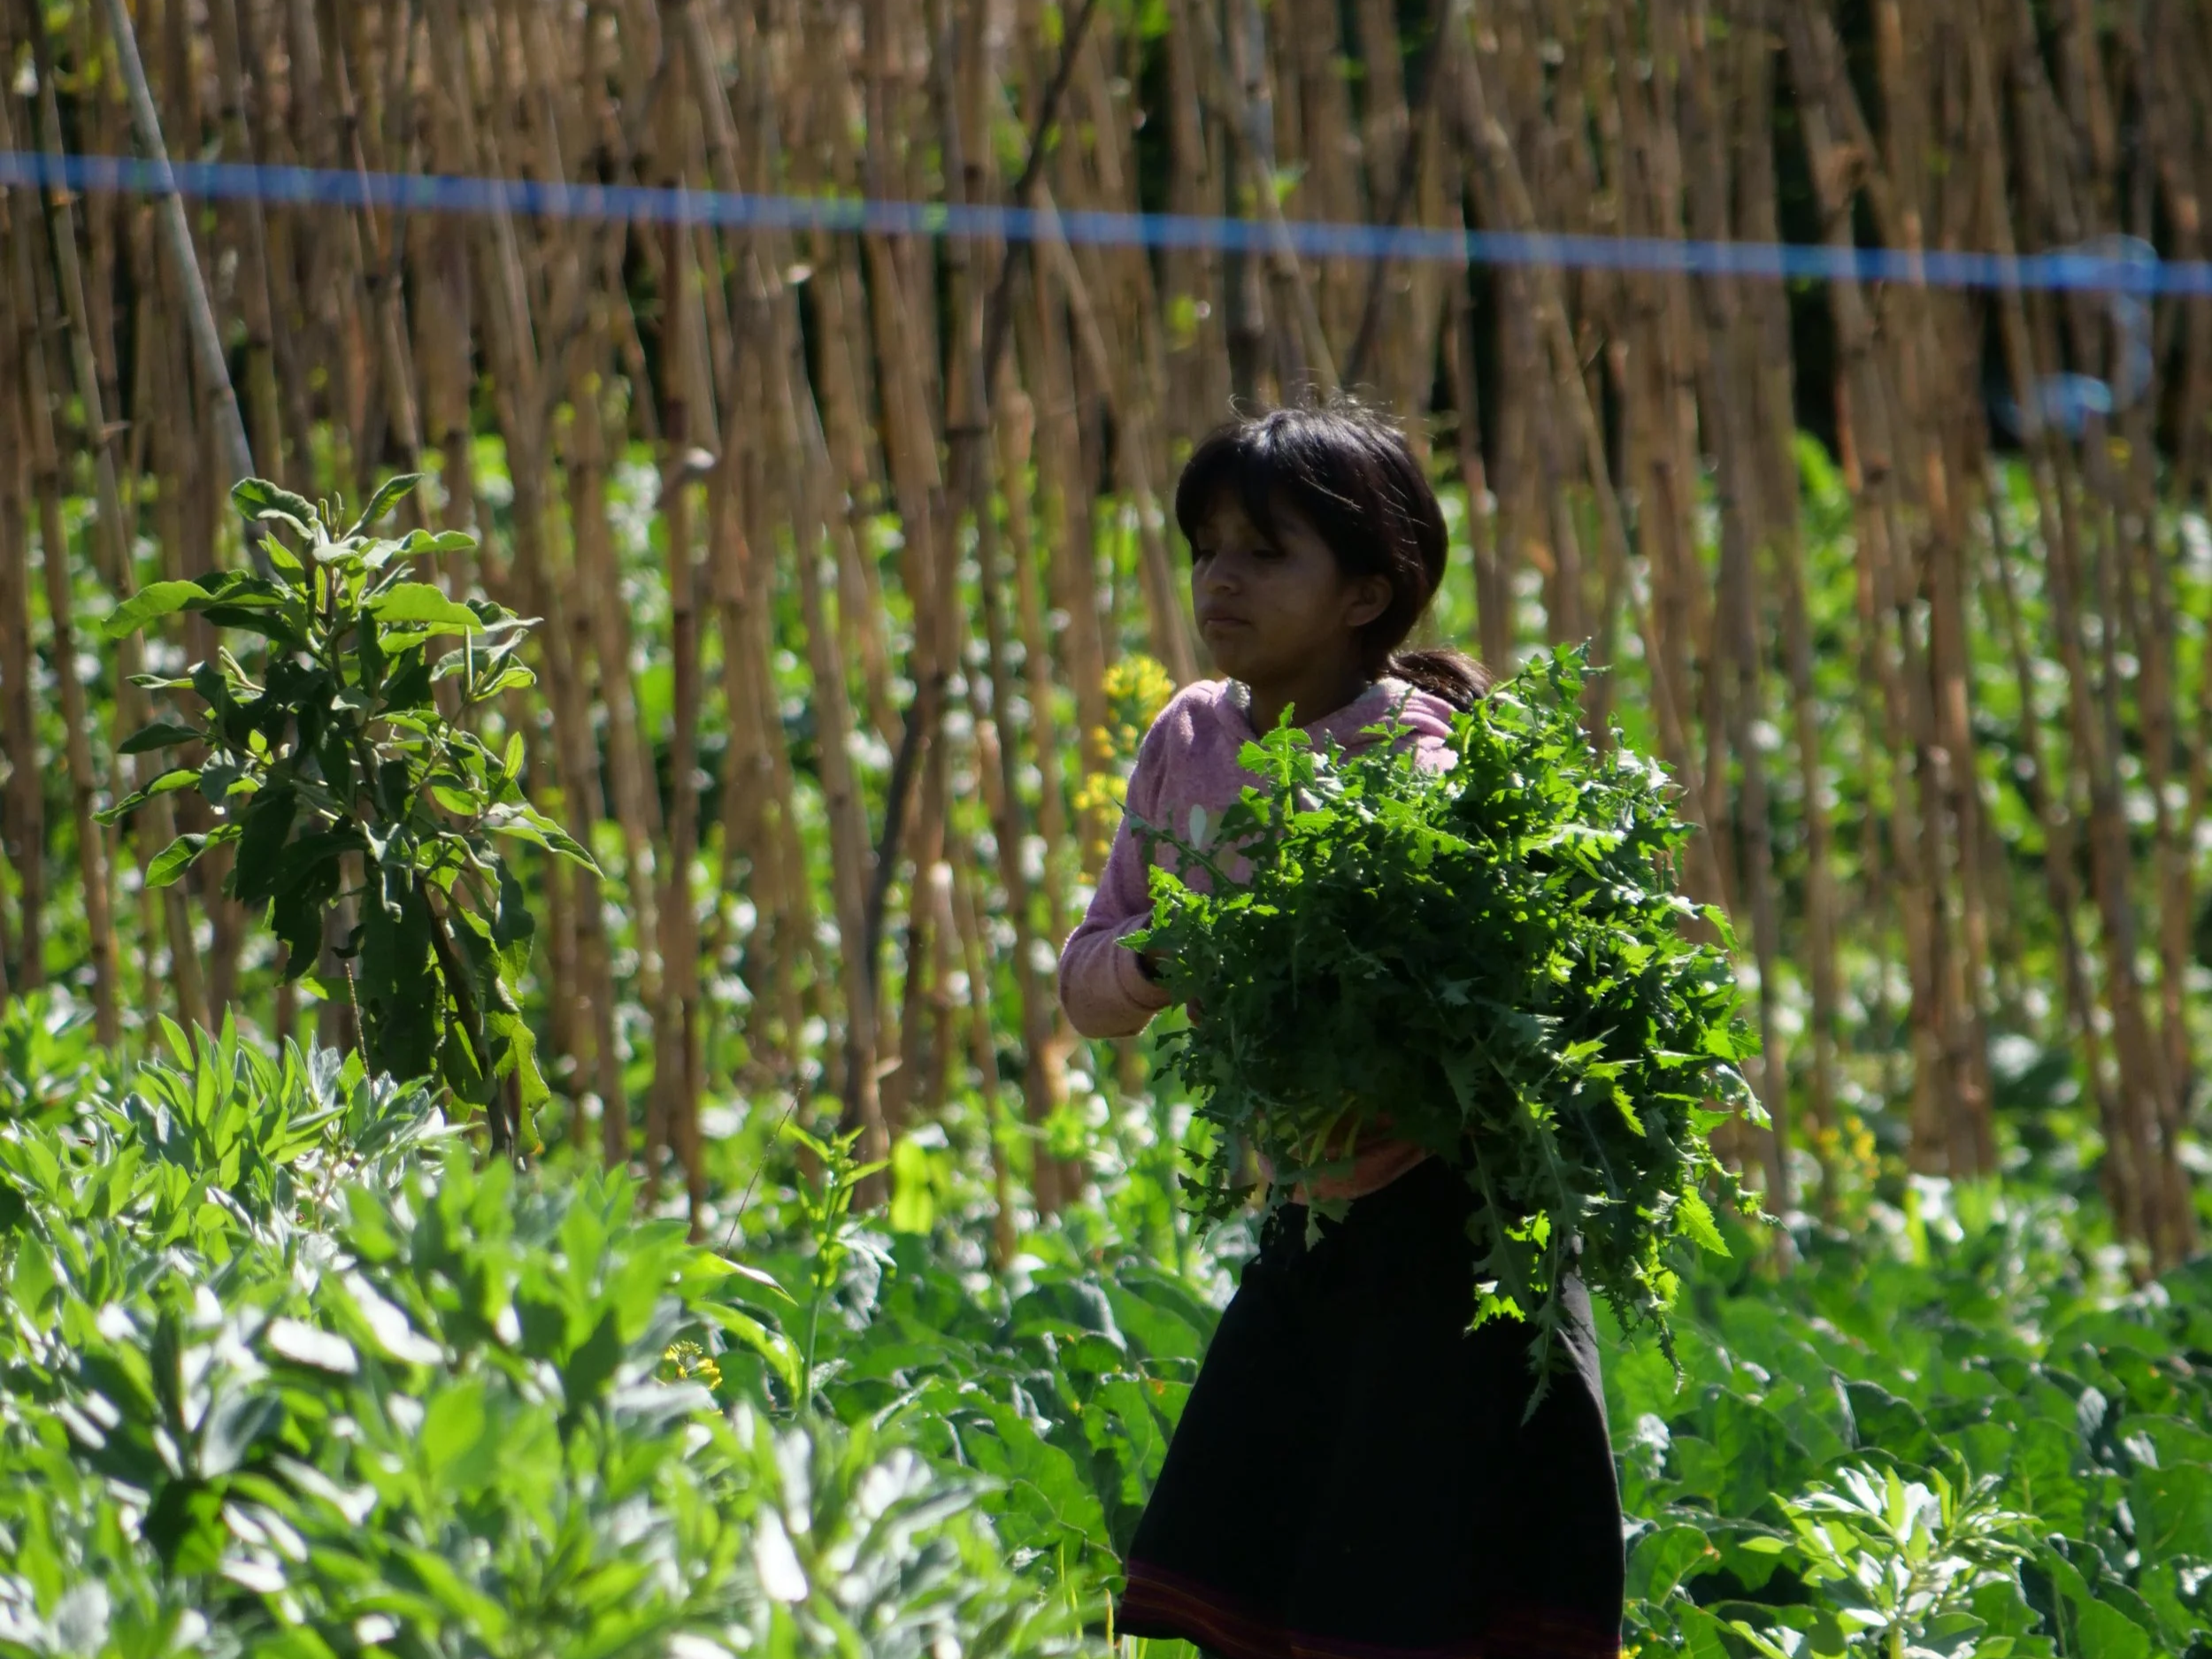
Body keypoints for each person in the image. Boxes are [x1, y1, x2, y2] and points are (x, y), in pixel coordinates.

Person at [1057, 403, 1624, 1659]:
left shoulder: (1417, 765)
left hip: (1448, 1230)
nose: (1222, 576)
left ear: (1370, 591)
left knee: (1406, 1589)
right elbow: (1088, 976)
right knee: (1254, 1564)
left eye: (1267, 550)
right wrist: (1166, 954)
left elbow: (1446, 1005)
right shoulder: (1188, 740)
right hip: (1309, 1218)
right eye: (1207, 545)